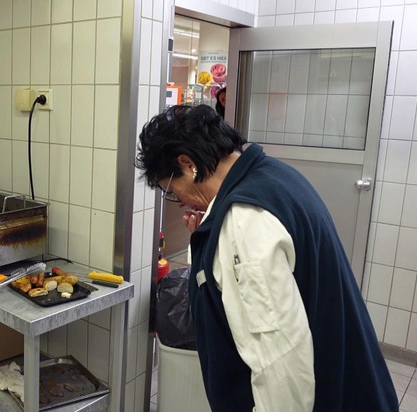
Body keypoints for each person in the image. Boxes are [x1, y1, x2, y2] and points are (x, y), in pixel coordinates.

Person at [135, 104, 398, 412]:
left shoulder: (244, 219)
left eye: (171, 190)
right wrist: (207, 240)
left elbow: (280, 365)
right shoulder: (272, 175)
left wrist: (223, 234)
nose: (178, 202)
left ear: (188, 164)